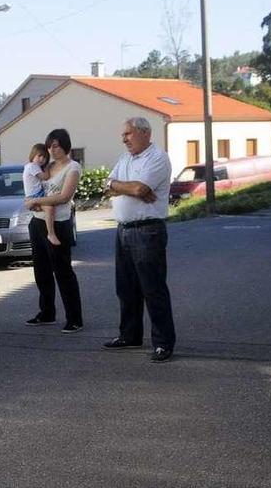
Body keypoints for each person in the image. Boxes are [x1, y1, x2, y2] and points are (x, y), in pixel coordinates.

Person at [103, 117, 176, 363]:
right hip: (123, 229)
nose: (124, 139)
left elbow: (139, 190)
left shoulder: (157, 158)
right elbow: (108, 184)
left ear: (144, 133)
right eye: (123, 134)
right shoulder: (126, 158)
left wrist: (128, 188)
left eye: (128, 134)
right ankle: (129, 335)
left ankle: (163, 343)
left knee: (153, 289)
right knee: (125, 288)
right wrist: (124, 186)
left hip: (148, 231)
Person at [24, 129, 84, 333]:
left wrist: (36, 201)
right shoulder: (47, 166)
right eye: (50, 146)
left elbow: (64, 197)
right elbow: (33, 186)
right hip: (37, 222)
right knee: (41, 271)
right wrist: (31, 202)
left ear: (65, 145)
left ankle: (75, 318)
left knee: (63, 272)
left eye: (56, 145)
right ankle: (47, 312)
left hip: (58, 224)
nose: (52, 149)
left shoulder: (73, 167)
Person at [23, 143, 60, 246]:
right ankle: (51, 234)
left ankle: (50, 232)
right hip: (35, 196)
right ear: (33, 155)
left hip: (37, 194)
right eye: (39, 156)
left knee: (51, 201)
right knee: (49, 209)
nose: (41, 159)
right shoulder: (32, 166)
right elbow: (45, 177)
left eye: (44, 157)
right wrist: (48, 168)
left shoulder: (32, 166)